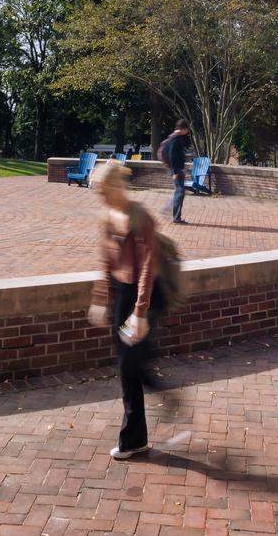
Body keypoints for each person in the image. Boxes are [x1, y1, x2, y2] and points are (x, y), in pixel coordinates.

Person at [87, 158, 165, 460]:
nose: (101, 197)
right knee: (129, 366)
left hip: (142, 295)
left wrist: (140, 310)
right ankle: (156, 393)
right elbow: (105, 260)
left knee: (128, 367)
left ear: (116, 186)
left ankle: (132, 439)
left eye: (104, 190)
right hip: (121, 296)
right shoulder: (108, 216)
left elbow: (149, 264)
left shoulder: (140, 215)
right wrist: (99, 298)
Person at [156, 122, 193, 224]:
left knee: (180, 192)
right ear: (182, 128)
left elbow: (177, 156)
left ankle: (173, 214)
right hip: (176, 170)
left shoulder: (175, 138)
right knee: (180, 192)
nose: (187, 131)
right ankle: (174, 215)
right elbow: (172, 156)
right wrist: (174, 171)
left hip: (177, 169)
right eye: (187, 129)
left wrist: (182, 171)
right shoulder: (175, 139)